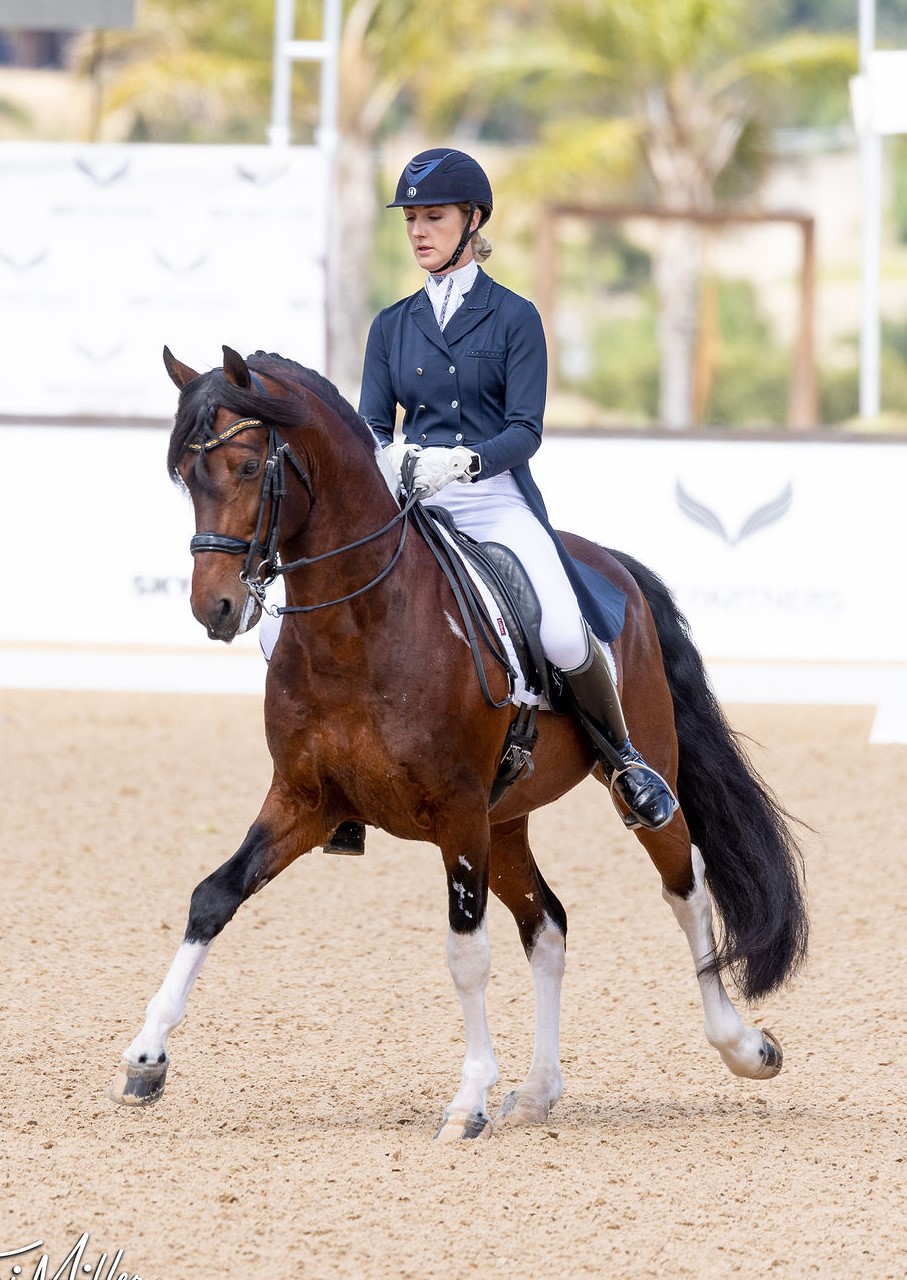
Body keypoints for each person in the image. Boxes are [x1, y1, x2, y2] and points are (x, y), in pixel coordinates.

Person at [341, 147, 677, 851]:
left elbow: (525, 431)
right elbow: (372, 424)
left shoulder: (513, 318)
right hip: (414, 507)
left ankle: (624, 762)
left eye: (432, 217)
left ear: (472, 221)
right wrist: (392, 458)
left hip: (492, 500)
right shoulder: (391, 325)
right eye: (410, 220)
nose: (418, 232)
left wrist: (463, 460)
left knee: (559, 630)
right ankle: (342, 785)